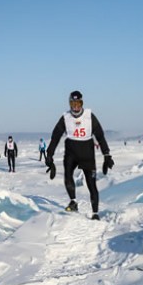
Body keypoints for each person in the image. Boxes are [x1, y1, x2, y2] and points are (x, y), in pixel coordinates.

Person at [45, 90, 113, 220]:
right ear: (69, 104)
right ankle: (73, 201)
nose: (76, 107)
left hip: (87, 153)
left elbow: (100, 136)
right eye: (73, 104)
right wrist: (49, 154)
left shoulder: (89, 116)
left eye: (78, 103)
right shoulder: (65, 118)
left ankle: (95, 213)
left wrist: (107, 154)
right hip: (71, 152)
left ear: (82, 103)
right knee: (67, 175)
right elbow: (55, 137)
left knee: (91, 184)